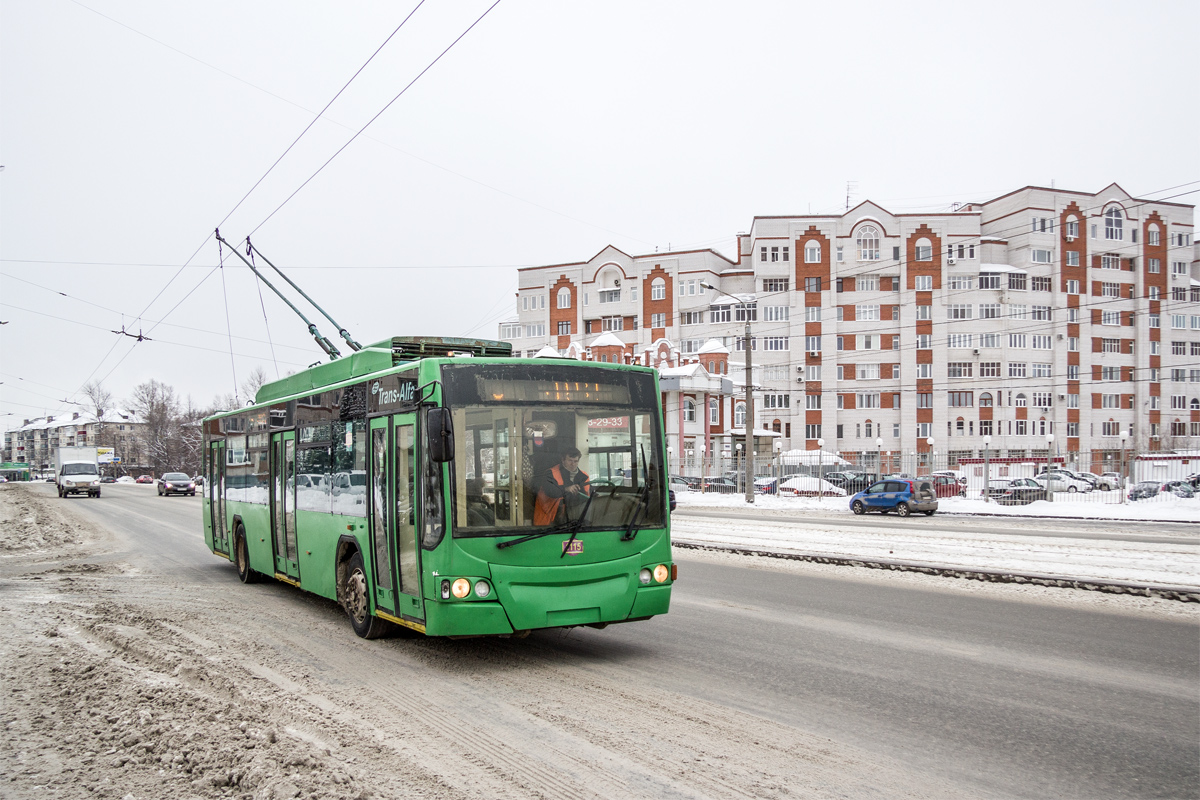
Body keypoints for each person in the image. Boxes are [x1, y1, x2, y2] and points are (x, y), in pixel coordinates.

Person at [534, 448, 590, 526]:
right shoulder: (550, 473)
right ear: (563, 460)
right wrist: (566, 489)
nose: (573, 464)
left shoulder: (584, 476)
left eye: (575, 461)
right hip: (549, 521)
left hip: (575, 520)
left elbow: (587, 495)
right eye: (570, 460)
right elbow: (550, 491)